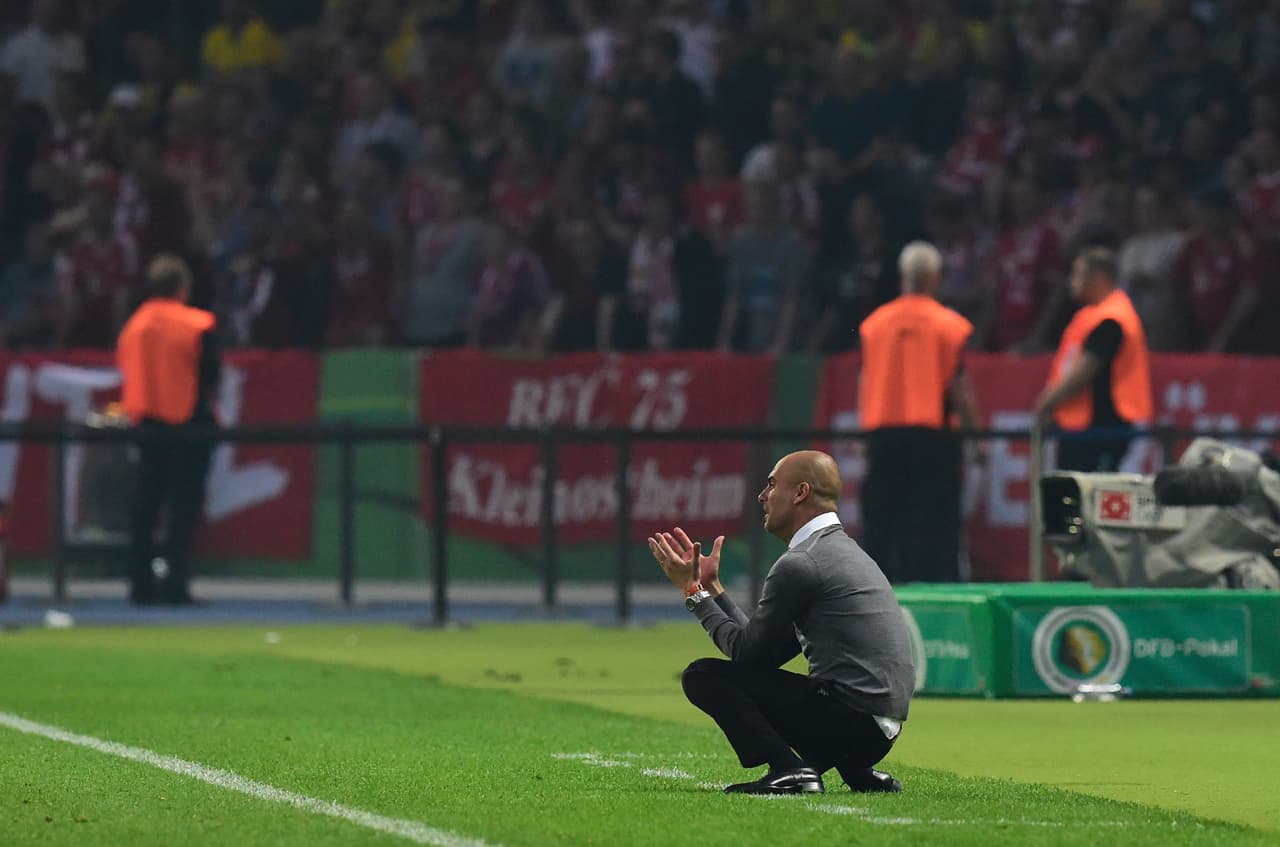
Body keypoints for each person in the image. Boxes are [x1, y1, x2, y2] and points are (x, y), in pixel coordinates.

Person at [648, 450, 914, 796]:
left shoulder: (801, 562)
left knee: (702, 675)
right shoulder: (842, 552)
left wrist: (693, 592)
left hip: (851, 724)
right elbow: (762, 650)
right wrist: (713, 588)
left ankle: (790, 770)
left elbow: (744, 653)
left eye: (772, 484)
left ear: (800, 493)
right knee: (802, 686)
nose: (762, 495)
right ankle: (857, 771)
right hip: (879, 730)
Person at [858, 242, 982, 584]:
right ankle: (938, 603)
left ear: (903, 276)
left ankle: (875, 601)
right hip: (934, 441)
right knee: (935, 528)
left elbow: (864, 381)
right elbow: (960, 385)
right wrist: (978, 439)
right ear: (935, 277)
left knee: (881, 525)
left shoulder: (874, 324)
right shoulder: (949, 325)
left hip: (882, 438)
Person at [116, 255, 220, 605]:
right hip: (187, 422)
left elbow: (125, 369)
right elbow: (210, 375)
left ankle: (139, 585)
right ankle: (175, 583)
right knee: (183, 508)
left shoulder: (134, 326)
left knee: (145, 506)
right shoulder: (196, 323)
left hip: (146, 425)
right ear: (182, 289)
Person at [1035, 247, 1153, 473]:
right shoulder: (1089, 316)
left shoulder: (1112, 318)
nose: (1072, 281)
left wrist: (1046, 403)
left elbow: (1085, 370)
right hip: (1080, 426)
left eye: (1077, 274)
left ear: (1098, 277)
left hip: (1106, 428)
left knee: (1097, 500)